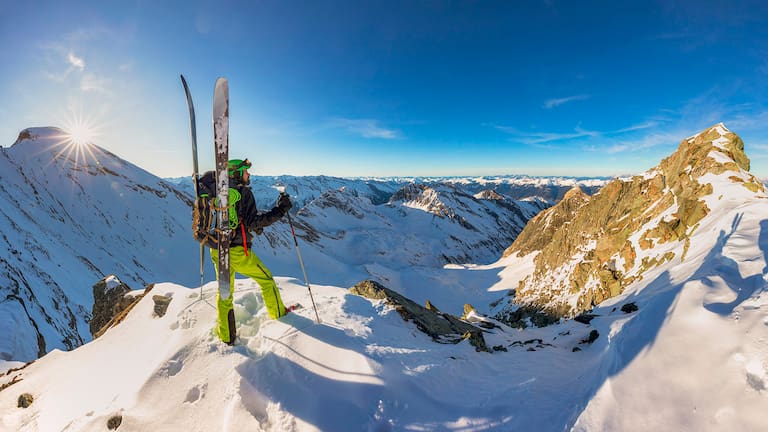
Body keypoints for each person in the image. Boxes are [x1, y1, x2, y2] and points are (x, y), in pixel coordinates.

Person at [209, 158, 293, 345]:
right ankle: (279, 314)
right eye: (246, 171)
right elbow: (253, 221)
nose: (249, 175)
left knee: (224, 294)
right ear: (236, 173)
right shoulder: (243, 192)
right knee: (267, 280)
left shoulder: (218, 191)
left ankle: (226, 336)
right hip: (238, 252)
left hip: (217, 250)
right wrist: (280, 210)